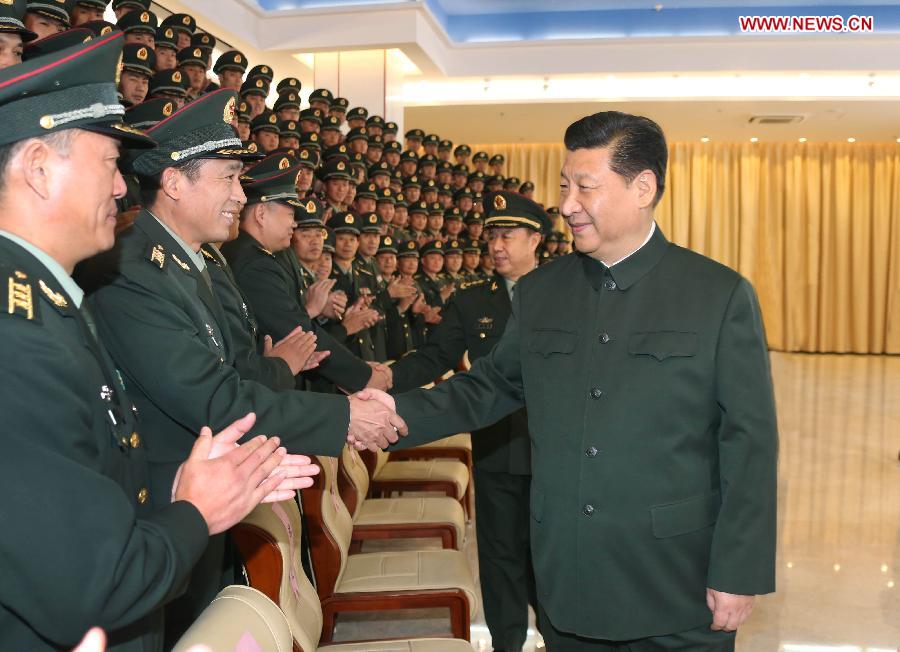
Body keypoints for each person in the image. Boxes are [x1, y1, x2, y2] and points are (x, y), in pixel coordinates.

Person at [355, 111, 778, 650]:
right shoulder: (540, 293)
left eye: (585, 186)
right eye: (563, 185)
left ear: (642, 187)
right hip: (568, 580)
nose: (567, 204)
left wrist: (738, 570)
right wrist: (384, 413)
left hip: (676, 583)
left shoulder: (717, 295)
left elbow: (750, 441)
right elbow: (489, 388)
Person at [0, 34, 316, 651]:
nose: (122, 190)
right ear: (39, 167)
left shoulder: (51, 298)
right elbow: (97, 582)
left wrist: (177, 486)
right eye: (109, 165)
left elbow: (87, 473)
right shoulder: (17, 331)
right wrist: (195, 512)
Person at [79, 89, 407, 641]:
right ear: (176, 183)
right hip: (162, 509)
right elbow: (216, 397)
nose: (241, 193)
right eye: (229, 177)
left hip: (206, 495)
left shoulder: (189, 263)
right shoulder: (135, 266)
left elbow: (235, 372)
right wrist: (343, 416)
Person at [389, 192, 548, 652]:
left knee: (551, 553)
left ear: (535, 239)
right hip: (497, 445)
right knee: (500, 555)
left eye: (508, 236)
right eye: (492, 236)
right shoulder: (472, 299)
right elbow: (435, 357)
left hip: (555, 450)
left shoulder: (565, 292)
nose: (497, 246)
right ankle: (507, 643)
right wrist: (379, 379)